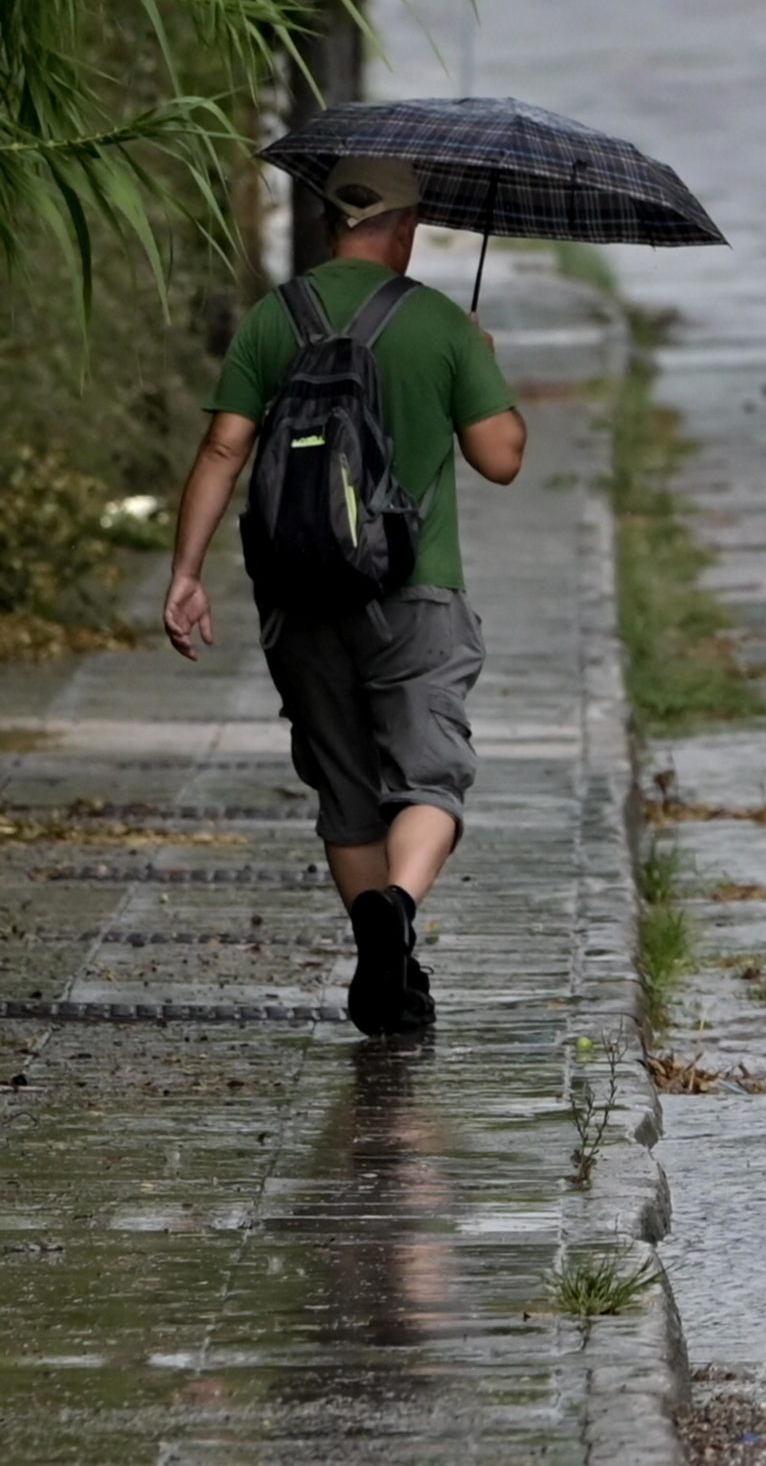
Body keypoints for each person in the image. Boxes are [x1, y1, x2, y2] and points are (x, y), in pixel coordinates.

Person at [163, 158, 527, 1035]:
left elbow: (222, 451)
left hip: (299, 600)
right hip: (415, 596)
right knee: (429, 776)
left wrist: (186, 574)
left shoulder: (273, 318)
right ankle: (396, 909)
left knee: (345, 791)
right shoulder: (438, 324)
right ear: (406, 227)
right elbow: (503, 458)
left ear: (330, 224)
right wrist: (480, 360)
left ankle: (388, 975)